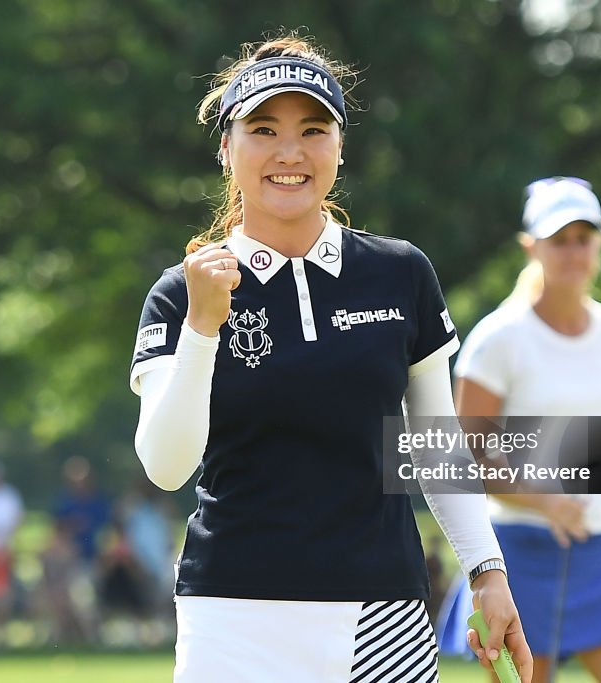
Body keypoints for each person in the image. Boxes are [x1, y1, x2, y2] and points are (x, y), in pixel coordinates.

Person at [130, 32, 532, 683]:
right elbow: (165, 465)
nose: (290, 152)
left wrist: (488, 570)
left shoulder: (402, 274)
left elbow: (434, 447)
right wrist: (204, 327)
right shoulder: (181, 293)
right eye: (263, 129)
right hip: (234, 617)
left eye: (313, 129)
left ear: (339, 147)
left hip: (385, 616)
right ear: (227, 149)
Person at [439, 177, 601, 682]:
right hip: (518, 558)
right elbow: (464, 457)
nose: (573, 251)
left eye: (583, 238)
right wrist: (543, 500)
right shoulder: (498, 339)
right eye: (559, 239)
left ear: (599, 244)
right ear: (532, 247)